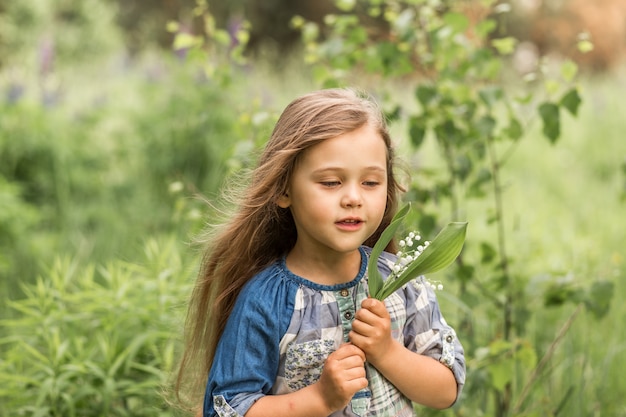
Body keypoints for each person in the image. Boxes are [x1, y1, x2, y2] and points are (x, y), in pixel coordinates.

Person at [175, 88, 465, 417]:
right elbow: (226, 410)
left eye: (370, 183)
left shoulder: (401, 282)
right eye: (330, 182)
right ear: (284, 189)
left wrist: (387, 352)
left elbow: (447, 388)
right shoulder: (266, 301)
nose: (353, 198)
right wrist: (321, 399)